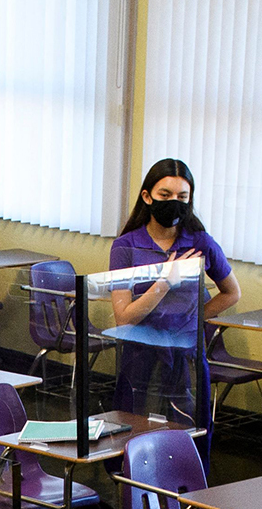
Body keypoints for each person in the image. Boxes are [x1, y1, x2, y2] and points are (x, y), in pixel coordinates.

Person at [103, 158, 241, 433]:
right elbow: (123, 317)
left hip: (186, 352)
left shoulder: (201, 241)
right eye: (165, 195)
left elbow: (232, 293)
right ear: (147, 196)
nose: (174, 202)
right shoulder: (125, 246)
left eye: (182, 196)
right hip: (141, 352)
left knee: (189, 429)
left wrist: (194, 317)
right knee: (137, 429)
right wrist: (165, 282)